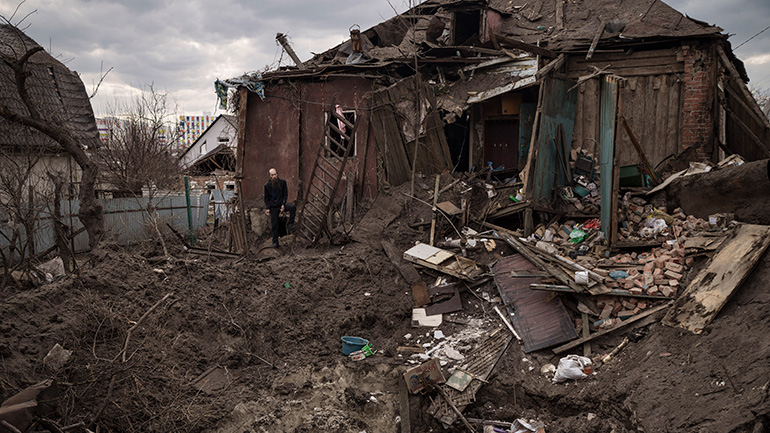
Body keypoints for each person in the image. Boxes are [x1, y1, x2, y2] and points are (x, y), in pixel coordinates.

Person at [264, 168, 296, 248]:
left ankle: (291, 224)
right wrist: (268, 208)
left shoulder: (282, 182)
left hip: (281, 205)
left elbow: (285, 194)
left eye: (275, 174)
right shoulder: (267, 186)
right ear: (270, 176)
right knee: (274, 224)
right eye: (272, 175)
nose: (274, 176)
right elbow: (266, 198)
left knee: (292, 207)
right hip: (273, 207)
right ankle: (275, 242)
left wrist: (283, 204)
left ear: (277, 174)